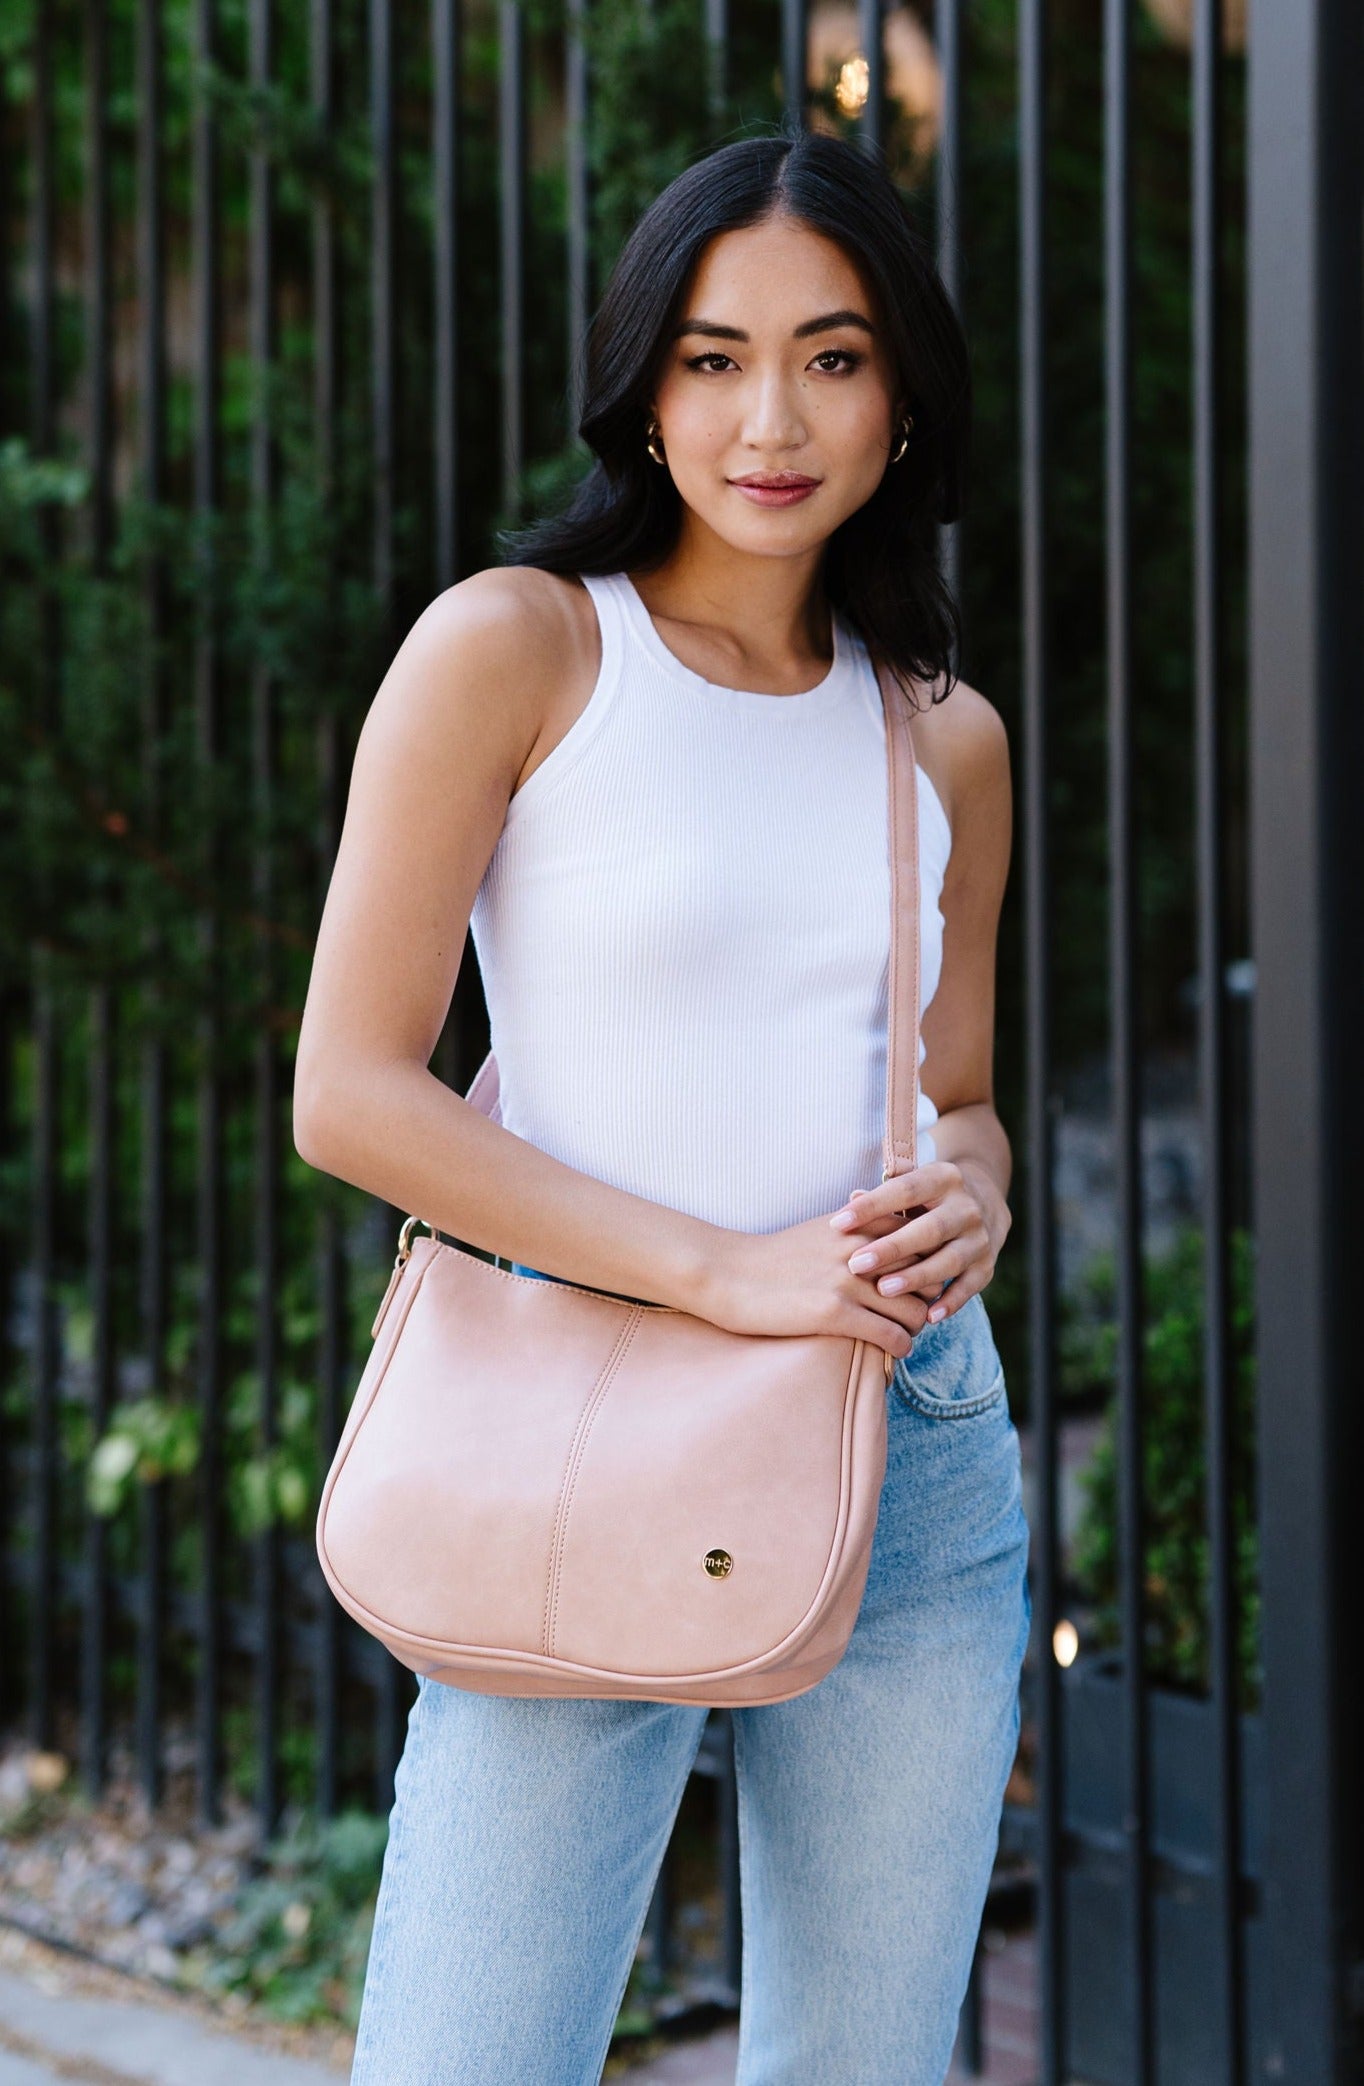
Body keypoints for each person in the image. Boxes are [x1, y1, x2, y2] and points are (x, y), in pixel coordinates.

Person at [294, 124, 1030, 2086]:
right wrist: (724, 1273)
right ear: (643, 382)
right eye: (711, 355)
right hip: (573, 1421)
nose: (767, 414)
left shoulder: (940, 732)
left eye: (830, 352)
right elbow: (352, 1092)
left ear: (899, 392)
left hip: (908, 1438)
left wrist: (976, 1187)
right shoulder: (517, 647)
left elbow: (950, 1095)